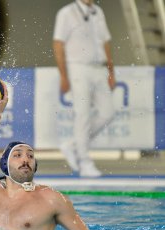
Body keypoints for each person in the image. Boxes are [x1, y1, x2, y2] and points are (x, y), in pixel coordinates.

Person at [0, 82, 100, 230]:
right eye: (17, 155)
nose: (25, 159)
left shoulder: (52, 199)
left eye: (30, 156)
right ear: (5, 165)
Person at [53, 0, 116, 177]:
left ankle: (73, 145)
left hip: (99, 68)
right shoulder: (66, 13)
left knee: (108, 113)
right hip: (77, 68)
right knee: (83, 114)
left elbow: (105, 42)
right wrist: (64, 76)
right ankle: (84, 162)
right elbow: (58, 44)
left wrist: (111, 71)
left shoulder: (98, 11)